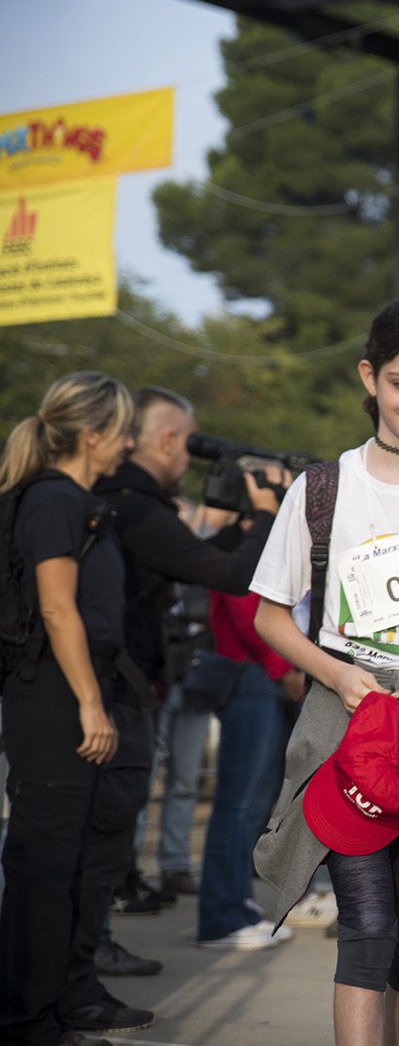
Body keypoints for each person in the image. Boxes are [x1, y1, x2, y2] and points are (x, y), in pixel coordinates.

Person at [251, 297, 399, 1045]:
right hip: (347, 741)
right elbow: (270, 615)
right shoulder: (322, 490)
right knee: (368, 929)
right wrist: (339, 675)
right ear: (369, 378)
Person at [94, 386, 281, 944]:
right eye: (188, 446)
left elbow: (195, 557)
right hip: (119, 685)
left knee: (118, 815)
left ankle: (92, 950)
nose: (188, 462)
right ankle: (84, 957)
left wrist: (246, 527)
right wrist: (268, 517)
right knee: (106, 823)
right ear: (171, 440)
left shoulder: (131, 506)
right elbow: (226, 576)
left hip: (131, 681)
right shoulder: (134, 504)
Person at [0, 371, 146, 1045]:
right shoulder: (55, 500)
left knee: (66, 865)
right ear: (92, 435)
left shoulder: (74, 498)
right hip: (54, 704)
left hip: (72, 698)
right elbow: (57, 607)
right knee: (43, 867)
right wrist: (91, 704)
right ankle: (28, 1020)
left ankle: (53, 1008)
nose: (130, 444)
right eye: (123, 432)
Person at [194, 579, 301, 950]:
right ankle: (221, 916)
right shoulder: (244, 547)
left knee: (250, 805)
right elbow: (249, 617)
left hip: (259, 678)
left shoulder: (252, 542)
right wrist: (284, 668)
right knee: (235, 805)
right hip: (248, 676)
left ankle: (236, 905)